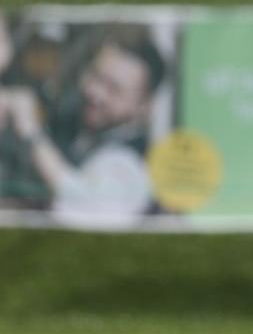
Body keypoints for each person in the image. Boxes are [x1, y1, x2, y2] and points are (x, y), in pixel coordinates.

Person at [0, 28, 165, 226]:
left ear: (143, 106)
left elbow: (80, 204)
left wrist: (32, 133)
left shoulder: (132, 166)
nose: (94, 92)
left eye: (114, 89)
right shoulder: (81, 124)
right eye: (95, 75)